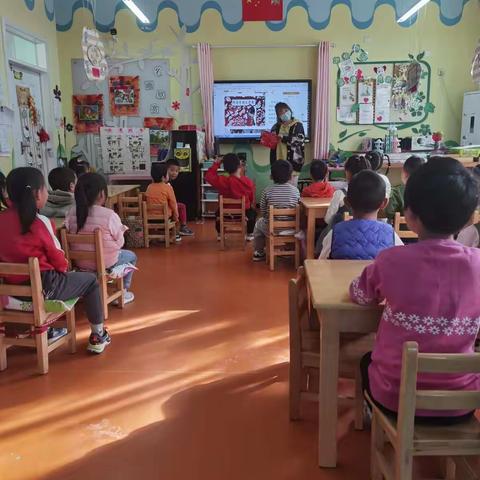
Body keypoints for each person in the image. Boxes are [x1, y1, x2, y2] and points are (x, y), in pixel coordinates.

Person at [351, 157, 480, 423]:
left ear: (409, 215)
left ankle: (370, 420)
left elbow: (360, 294)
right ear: (470, 218)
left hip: (394, 398)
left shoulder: (391, 260)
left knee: (365, 361)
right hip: (461, 403)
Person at [0, 167, 111, 353]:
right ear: (37, 194)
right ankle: (98, 334)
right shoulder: (40, 221)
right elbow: (59, 260)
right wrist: (65, 271)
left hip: (11, 293)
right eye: (44, 189)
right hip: (46, 288)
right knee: (91, 281)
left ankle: (46, 330)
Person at [65, 173, 137, 304]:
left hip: (80, 263)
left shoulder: (71, 213)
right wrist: (121, 231)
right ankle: (123, 291)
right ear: (102, 194)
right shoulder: (109, 215)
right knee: (131, 256)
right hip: (106, 263)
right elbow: (120, 243)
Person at [319, 170, 403, 259]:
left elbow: (322, 265)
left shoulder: (334, 234)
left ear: (347, 202)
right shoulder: (391, 236)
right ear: (384, 203)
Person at [253, 160, 300, 262]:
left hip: (272, 228)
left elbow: (263, 210)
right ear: (290, 176)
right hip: (291, 228)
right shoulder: (295, 191)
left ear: (271, 176)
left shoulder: (267, 190)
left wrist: (267, 218)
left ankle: (259, 252)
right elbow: (298, 208)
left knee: (258, 225)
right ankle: (289, 249)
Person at [205, 153, 256, 240]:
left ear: (225, 168)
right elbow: (251, 199)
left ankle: (220, 234)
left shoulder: (222, 180)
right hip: (243, 214)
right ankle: (250, 234)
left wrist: (217, 163)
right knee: (253, 212)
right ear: (239, 165)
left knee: (217, 213)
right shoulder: (248, 182)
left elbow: (208, 176)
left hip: (225, 214)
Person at [269, 102, 305, 187]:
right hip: (278, 164)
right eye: (281, 112)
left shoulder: (298, 125)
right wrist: (268, 138)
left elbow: (299, 141)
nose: (285, 113)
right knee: (278, 191)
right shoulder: (276, 126)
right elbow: (272, 144)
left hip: (293, 164)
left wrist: (284, 138)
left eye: (286, 110)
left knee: (291, 190)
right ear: (278, 115)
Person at [145, 162, 182, 243]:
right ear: (163, 177)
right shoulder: (167, 188)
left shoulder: (149, 187)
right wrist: (176, 217)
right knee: (176, 218)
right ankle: (174, 236)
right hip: (164, 218)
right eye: (167, 174)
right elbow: (173, 204)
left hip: (149, 218)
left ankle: (153, 236)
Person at [385, 155, 426, 221]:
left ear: (404, 174)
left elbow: (389, 213)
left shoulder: (396, 192)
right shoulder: (431, 192)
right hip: (425, 230)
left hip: (400, 229)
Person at [165, 159, 194, 236]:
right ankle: (183, 227)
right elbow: (171, 201)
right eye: (172, 170)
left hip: (163, 206)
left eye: (177, 171)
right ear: (165, 170)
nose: (174, 173)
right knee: (181, 206)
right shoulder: (167, 184)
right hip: (166, 207)